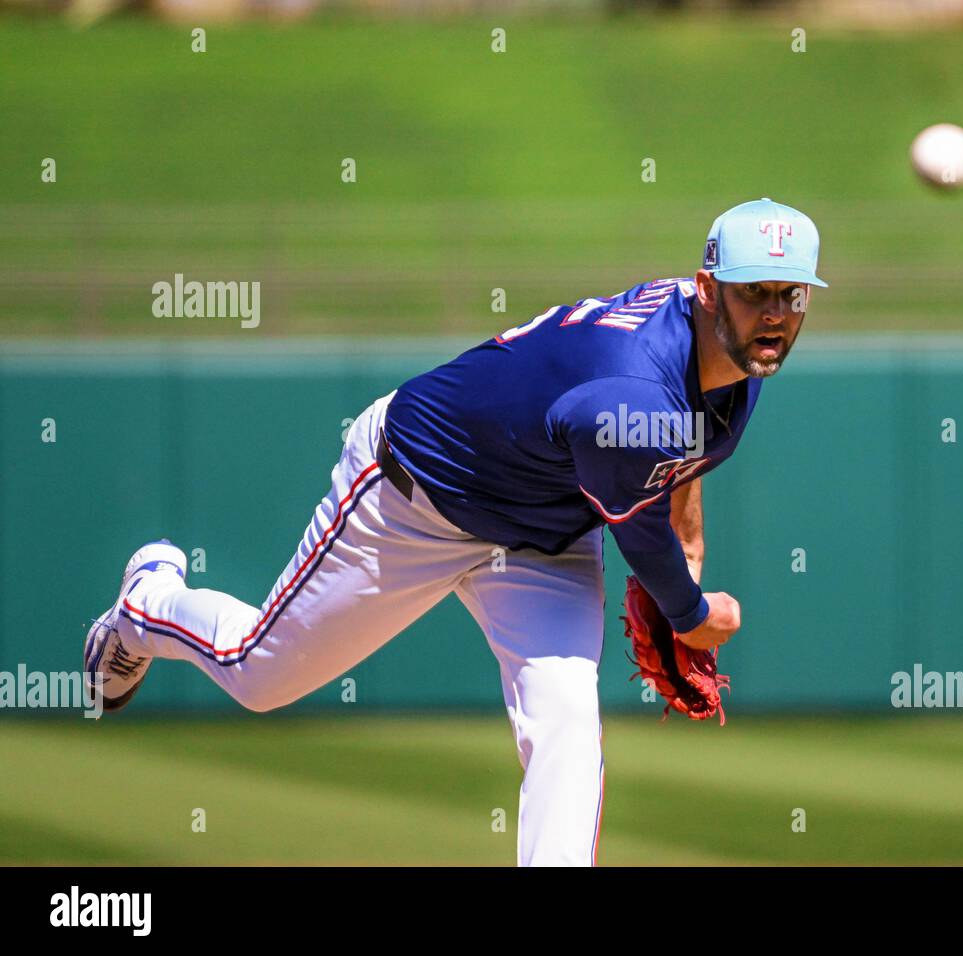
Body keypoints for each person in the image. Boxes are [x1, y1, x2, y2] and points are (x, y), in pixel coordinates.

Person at [84, 197, 828, 866]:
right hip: (415, 499)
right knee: (261, 675)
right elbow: (644, 499)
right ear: (706, 289)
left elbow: (679, 444)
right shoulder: (628, 387)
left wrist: (690, 548)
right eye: (752, 292)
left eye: (789, 294)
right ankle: (148, 601)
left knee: (567, 719)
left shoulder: (722, 352)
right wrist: (692, 614)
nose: (772, 312)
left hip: (546, 537)